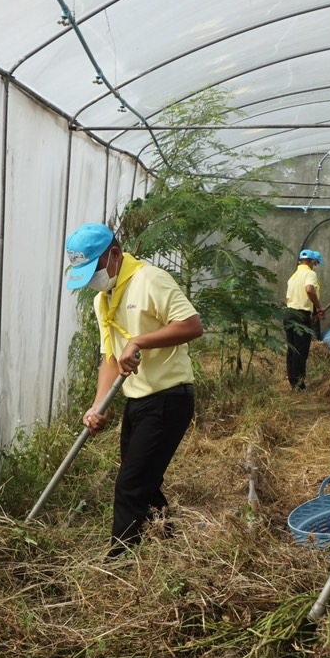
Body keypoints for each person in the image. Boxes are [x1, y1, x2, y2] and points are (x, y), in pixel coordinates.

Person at [64, 223, 204, 556]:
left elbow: (192, 325)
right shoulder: (104, 299)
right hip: (137, 400)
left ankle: (120, 560)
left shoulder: (149, 280)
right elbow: (110, 357)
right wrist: (98, 406)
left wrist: (139, 340)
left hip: (169, 397)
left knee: (130, 483)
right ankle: (169, 544)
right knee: (144, 478)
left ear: (114, 255)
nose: (93, 279)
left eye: (94, 268)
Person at [283, 249, 325, 390]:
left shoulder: (293, 277)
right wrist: (319, 308)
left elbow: (290, 298)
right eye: (316, 263)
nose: (315, 266)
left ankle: (293, 382)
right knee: (301, 350)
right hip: (300, 315)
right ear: (312, 261)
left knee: (292, 349)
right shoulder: (310, 273)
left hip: (288, 313)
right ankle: (300, 384)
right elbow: (309, 290)